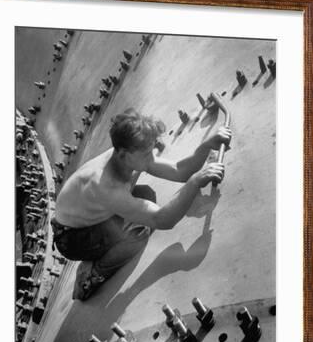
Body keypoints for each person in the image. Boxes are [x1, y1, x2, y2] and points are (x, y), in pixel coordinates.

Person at [51, 108, 231, 300]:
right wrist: (195, 182)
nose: (151, 157)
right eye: (146, 154)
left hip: (91, 215)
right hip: (73, 239)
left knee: (146, 194)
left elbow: (179, 171)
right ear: (122, 154)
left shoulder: (128, 156)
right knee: (138, 234)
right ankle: (90, 277)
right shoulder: (106, 186)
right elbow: (162, 220)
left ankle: (103, 246)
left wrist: (206, 146)